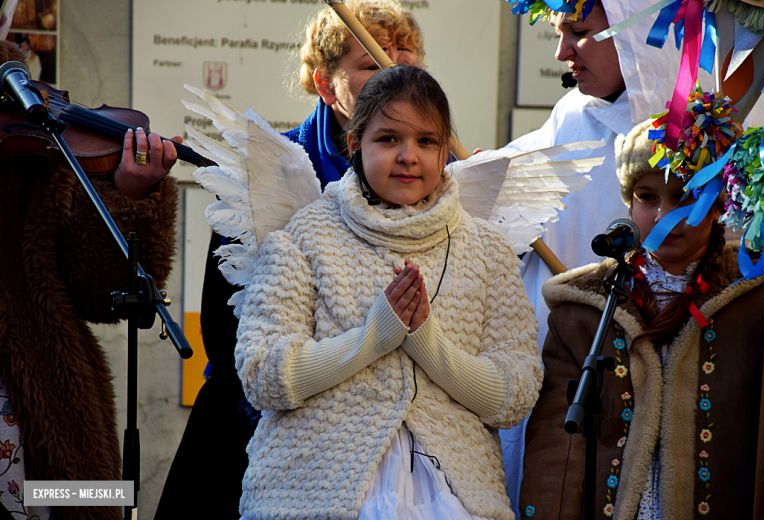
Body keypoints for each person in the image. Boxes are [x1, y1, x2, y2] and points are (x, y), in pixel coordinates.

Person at [235, 65, 542, 520]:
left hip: (457, 489)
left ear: (444, 151)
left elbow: (516, 393)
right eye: (388, 139)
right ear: (355, 143)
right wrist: (371, 340)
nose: (408, 156)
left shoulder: (486, 248)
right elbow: (260, 373)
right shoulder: (305, 234)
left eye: (426, 141)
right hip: (315, 486)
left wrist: (429, 347)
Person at [154, 2, 424, 518]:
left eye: (406, 56)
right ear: (326, 85)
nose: (395, 73)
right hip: (266, 429)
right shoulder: (266, 176)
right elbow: (225, 331)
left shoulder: (440, 180)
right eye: (371, 62)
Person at [518, 118, 764, 519]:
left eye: (684, 197)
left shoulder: (759, 297)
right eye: (647, 197)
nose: (662, 215)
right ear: (629, 203)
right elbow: (556, 448)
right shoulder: (583, 308)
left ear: (718, 203)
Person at [500, 2, 683, 512]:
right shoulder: (569, 117)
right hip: (571, 369)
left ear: (636, 31)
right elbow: (523, 178)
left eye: (579, 33)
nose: (563, 53)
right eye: (560, 35)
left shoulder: (698, 126)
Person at [0, 39, 179, 520]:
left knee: (75, 502)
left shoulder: (30, 131)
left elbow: (103, 295)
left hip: (35, 422)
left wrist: (130, 197)